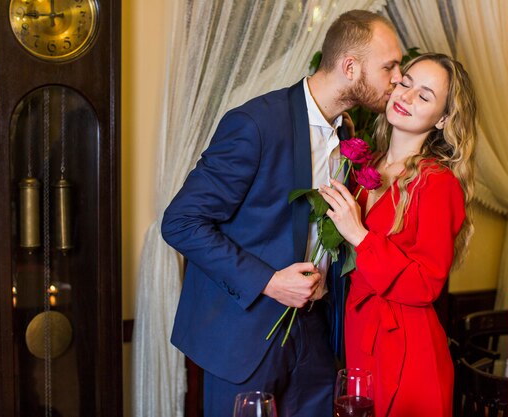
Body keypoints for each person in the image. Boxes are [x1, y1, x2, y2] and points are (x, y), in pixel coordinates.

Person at [160, 10, 402, 417]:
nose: (397, 78)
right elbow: (181, 222)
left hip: (315, 336)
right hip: (245, 336)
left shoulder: (348, 137)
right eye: (389, 66)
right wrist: (268, 281)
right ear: (349, 67)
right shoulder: (255, 125)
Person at [319, 53, 477, 417]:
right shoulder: (364, 167)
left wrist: (360, 235)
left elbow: (427, 284)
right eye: (405, 83)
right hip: (357, 335)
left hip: (407, 350)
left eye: (424, 95)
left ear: (442, 119)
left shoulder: (438, 184)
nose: (405, 97)